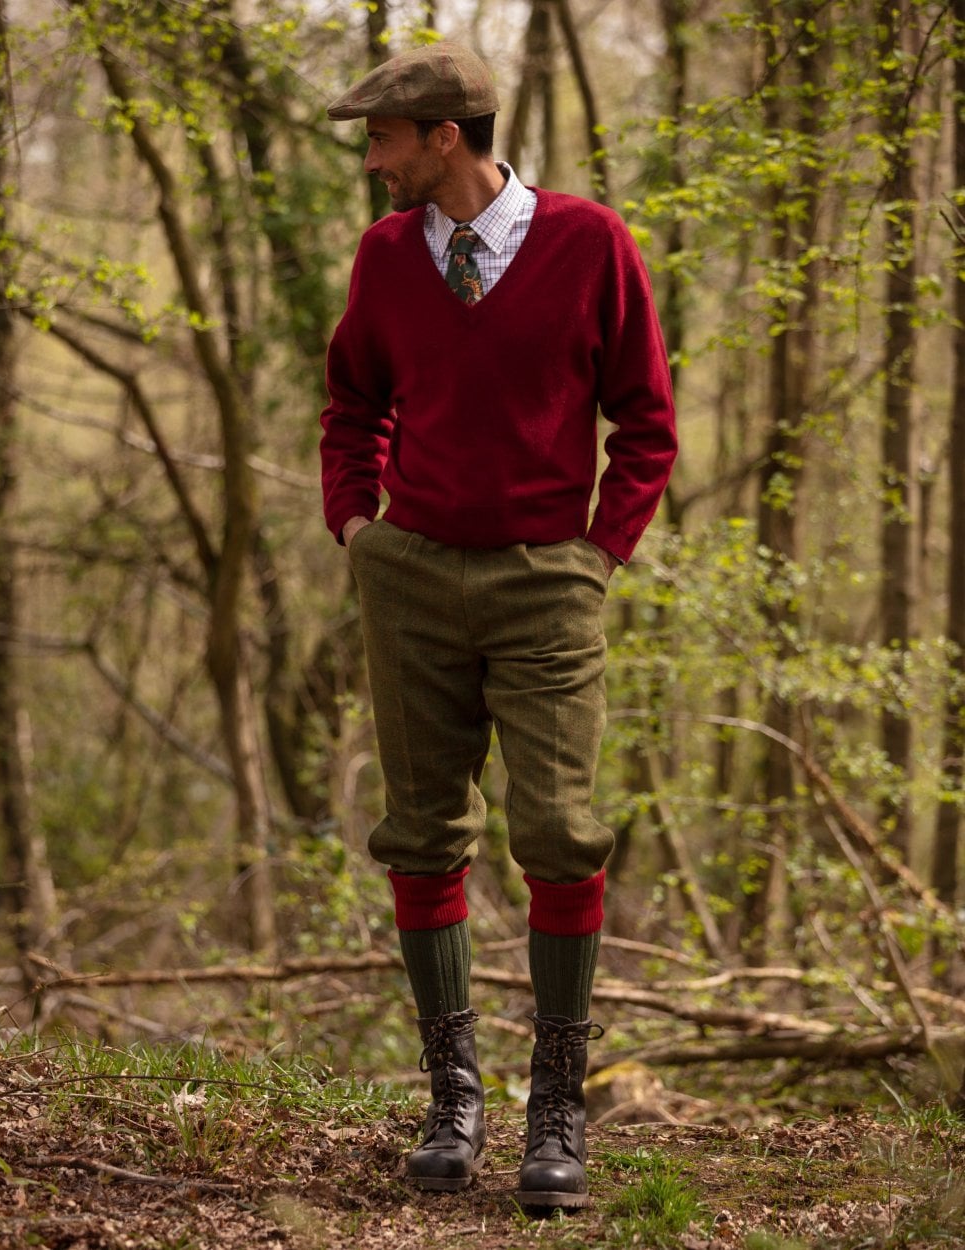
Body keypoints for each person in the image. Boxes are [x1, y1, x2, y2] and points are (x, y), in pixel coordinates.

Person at [320, 42, 677, 1210]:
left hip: (544, 580)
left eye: (383, 140)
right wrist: (356, 527)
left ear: (445, 138)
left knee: (563, 829)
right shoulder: (384, 259)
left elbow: (646, 421)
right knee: (422, 830)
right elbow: (352, 403)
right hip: (410, 574)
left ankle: (558, 1108)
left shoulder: (588, 246)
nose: (372, 162)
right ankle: (453, 1095)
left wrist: (597, 552)